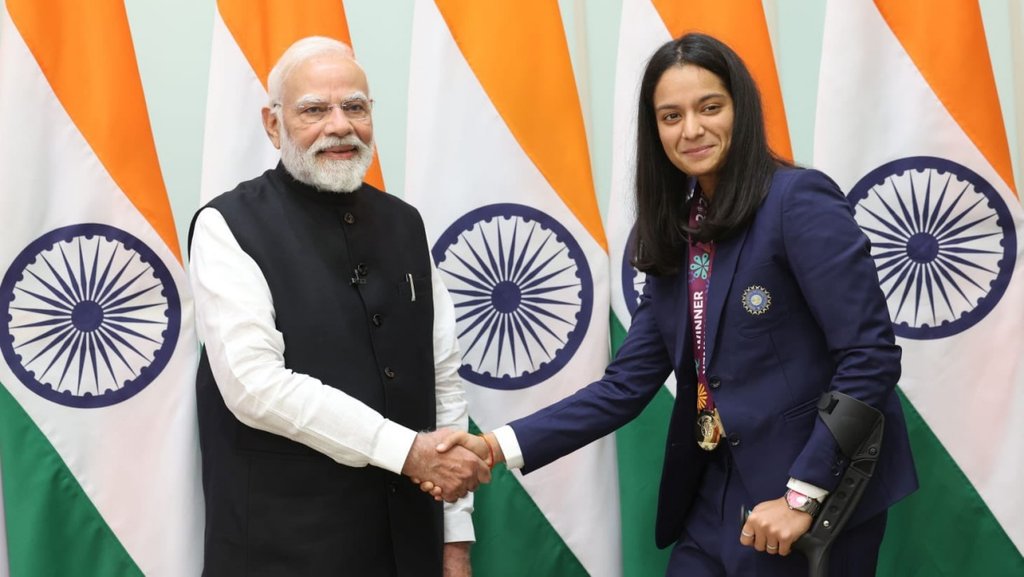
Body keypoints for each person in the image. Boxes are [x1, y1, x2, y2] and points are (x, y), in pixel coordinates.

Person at [428, 33, 918, 577]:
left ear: (741, 109)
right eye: (671, 116)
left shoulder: (797, 200)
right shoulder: (673, 229)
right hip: (711, 497)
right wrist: (494, 446)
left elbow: (869, 355)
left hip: (803, 500)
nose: (691, 130)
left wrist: (803, 495)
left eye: (710, 107)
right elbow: (625, 386)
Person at [188, 36, 487, 577]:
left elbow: (441, 379)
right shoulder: (227, 225)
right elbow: (255, 386)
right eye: (314, 110)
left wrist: (454, 539)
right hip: (282, 552)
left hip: (408, 548)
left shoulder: (404, 223)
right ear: (273, 124)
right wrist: (407, 451)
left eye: (354, 107)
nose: (340, 126)